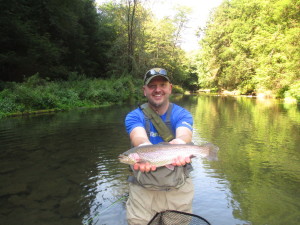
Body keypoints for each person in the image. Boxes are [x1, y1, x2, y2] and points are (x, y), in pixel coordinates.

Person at [124, 68, 195, 225]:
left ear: (170, 88)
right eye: (152, 86)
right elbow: (138, 136)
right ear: (144, 90)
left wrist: (181, 143)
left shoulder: (182, 114)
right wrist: (143, 146)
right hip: (142, 193)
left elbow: (185, 134)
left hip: (178, 192)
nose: (157, 90)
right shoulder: (134, 116)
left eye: (162, 84)